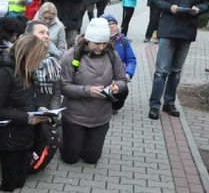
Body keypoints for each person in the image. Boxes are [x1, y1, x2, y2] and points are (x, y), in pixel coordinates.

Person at [147, 0, 209, 120]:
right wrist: (170, 7)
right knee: (162, 70)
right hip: (168, 28)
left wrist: (198, 9)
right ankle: (154, 105)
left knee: (176, 71)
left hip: (187, 30)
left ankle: (169, 103)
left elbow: (207, 3)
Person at [0, 35, 51, 191]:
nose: (39, 63)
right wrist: (27, 118)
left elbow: (27, 100)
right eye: (37, 59)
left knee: (20, 182)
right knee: (8, 185)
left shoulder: (26, 70)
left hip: (24, 134)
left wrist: (41, 110)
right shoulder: (2, 73)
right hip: (7, 136)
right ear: (28, 56)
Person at [59, 18, 127, 164]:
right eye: (97, 43)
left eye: (104, 43)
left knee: (91, 158)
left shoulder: (112, 54)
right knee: (70, 158)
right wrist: (87, 91)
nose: (101, 47)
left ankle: (86, 142)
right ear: (88, 39)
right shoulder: (72, 56)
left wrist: (118, 87)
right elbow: (64, 87)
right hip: (75, 116)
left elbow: (122, 79)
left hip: (100, 116)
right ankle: (62, 135)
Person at [101, 14, 137, 114]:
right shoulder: (97, 41)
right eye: (108, 24)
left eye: (114, 24)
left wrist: (128, 73)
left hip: (117, 75)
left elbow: (131, 60)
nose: (112, 26)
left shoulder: (123, 41)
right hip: (100, 74)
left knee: (122, 91)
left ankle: (114, 106)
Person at [25, 20, 63, 110]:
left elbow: (56, 93)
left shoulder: (52, 61)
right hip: (24, 115)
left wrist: (53, 114)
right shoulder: (19, 59)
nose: (46, 36)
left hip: (45, 114)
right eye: (41, 33)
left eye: (48, 33)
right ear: (29, 36)